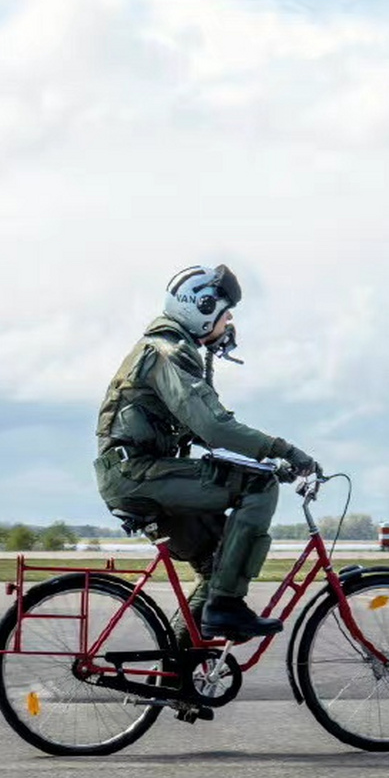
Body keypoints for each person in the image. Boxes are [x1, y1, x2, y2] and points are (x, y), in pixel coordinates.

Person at [93, 264, 318, 642]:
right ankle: (227, 606)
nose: (229, 321)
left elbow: (202, 431)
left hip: (142, 474)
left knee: (217, 564)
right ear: (201, 307)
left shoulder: (172, 352)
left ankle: (182, 686)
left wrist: (261, 457)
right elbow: (213, 426)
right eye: (224, 311)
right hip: (137, 475)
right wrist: (285, 451)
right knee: (259, 488)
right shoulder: (167, 352)